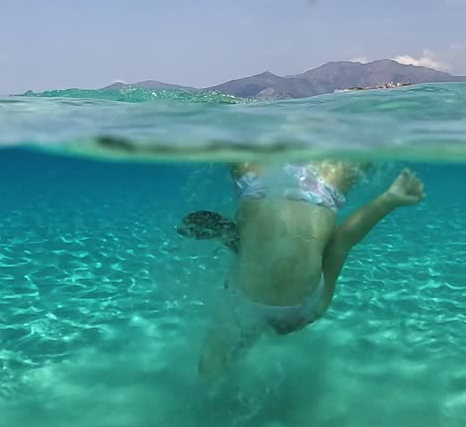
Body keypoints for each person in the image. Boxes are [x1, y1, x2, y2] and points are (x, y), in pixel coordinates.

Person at [181, 161, 425, 379]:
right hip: (318, 190)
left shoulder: (244, 309)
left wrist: (224, 231)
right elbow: (342, 242)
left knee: (208, 372)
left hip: (265, 187)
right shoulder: (311, 309)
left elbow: (260, 249)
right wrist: (389, 199)